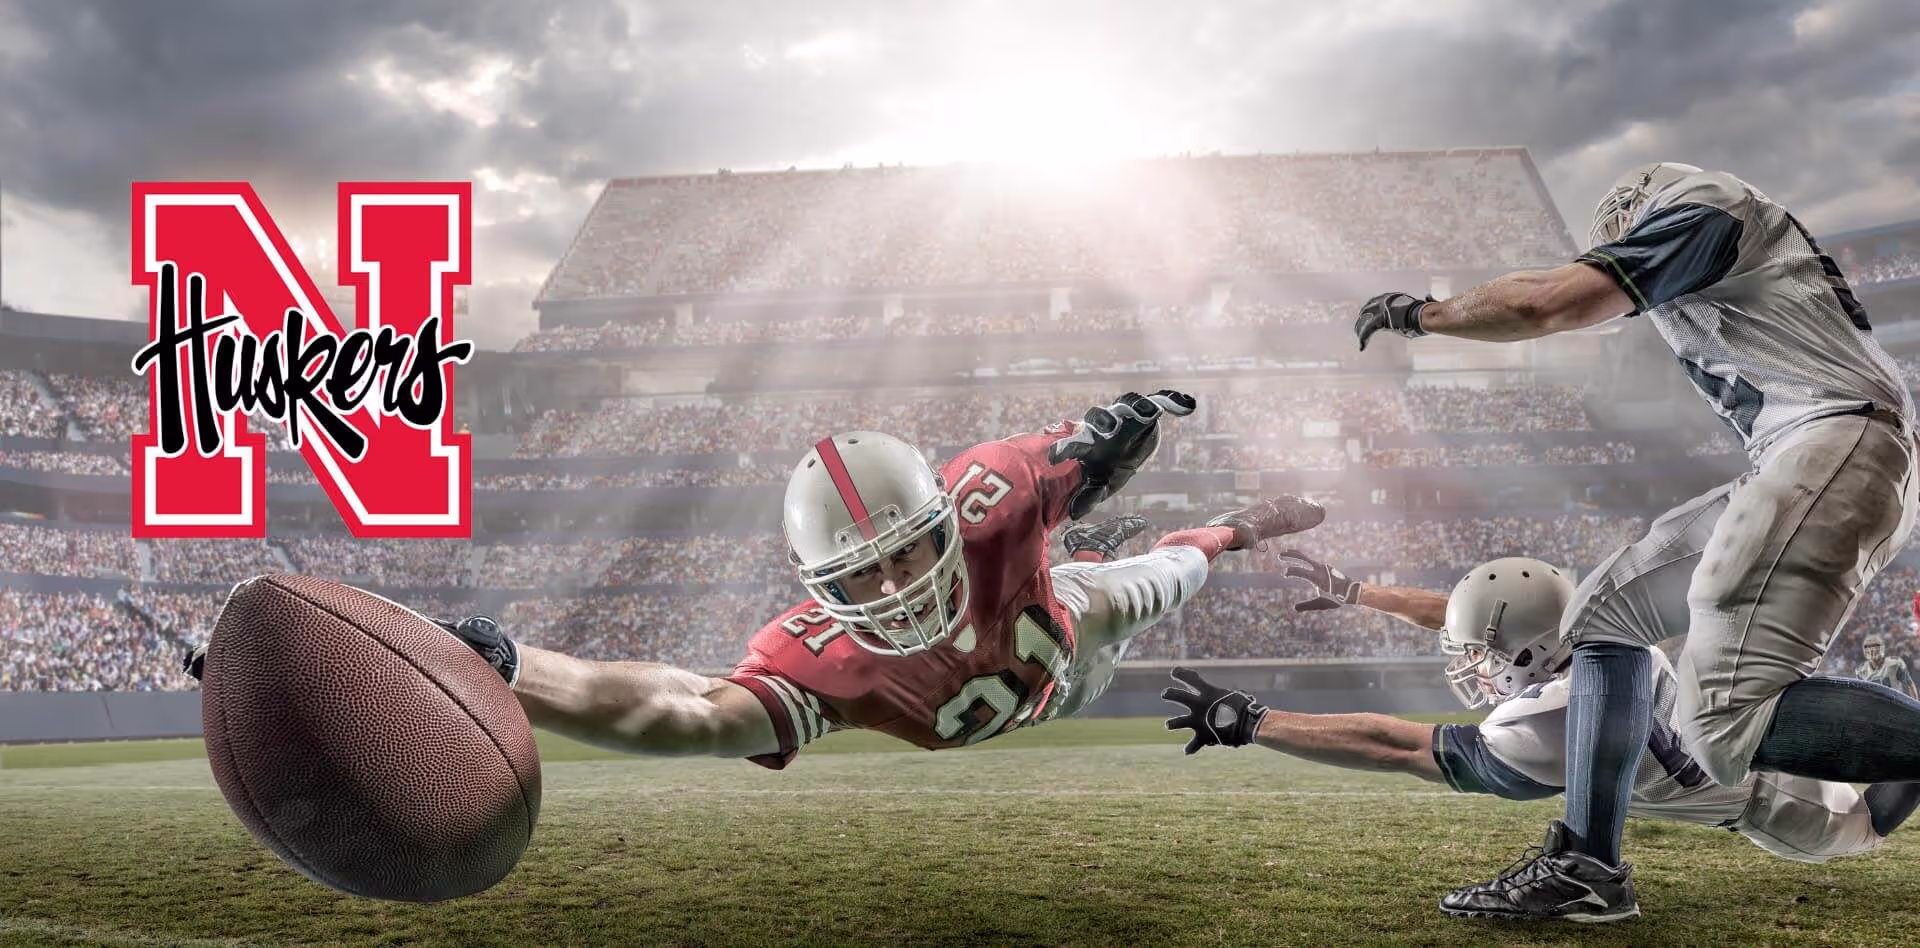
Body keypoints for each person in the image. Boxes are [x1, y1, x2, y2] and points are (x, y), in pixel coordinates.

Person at [1354, 163, 1920, 922]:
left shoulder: (1705, 208)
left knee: (1721, 725)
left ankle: (1587, 866)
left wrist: (1421, 314)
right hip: (1818, 451)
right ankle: (1586, 865)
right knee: (1601, 616)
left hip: (1831, 442)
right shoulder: (1732, 244)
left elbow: (1544, 303)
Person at [188, 391, 1327, 763]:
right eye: (861, 572)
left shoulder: (994, 496)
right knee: (1126, 571)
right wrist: (503, 663)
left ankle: (1233, 527)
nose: (892, 587)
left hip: (1063, 639)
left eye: (906, 549)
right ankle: (1111, 549)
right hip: (1032, 676)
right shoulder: (818, 657)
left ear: (948, 520)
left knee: (1161, 575)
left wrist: (1117, 430)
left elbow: (1088, 444)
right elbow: (680, 710)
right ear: (814, 583)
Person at [1163, 554, 1919, 880]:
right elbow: (1471, 615)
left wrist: (1253, 720)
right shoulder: (1601, 635)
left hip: (1795, 812)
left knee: (1873, 814)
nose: (1472, 663)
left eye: (1483, 655)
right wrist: (1360, 593)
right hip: (1758, 751)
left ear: (1526, 653)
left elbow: (1394, 745)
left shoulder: (1545, 724)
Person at [1857, 634, 1918, 700]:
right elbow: (1861, 694)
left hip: (1894, 703)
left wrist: (1915, 702)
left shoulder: (1894, 663)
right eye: (1868, 646)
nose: (1872, 649)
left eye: (1875, 645)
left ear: (1882, 647)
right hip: (1873, 703)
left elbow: (1909, 684)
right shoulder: (1861, 670)